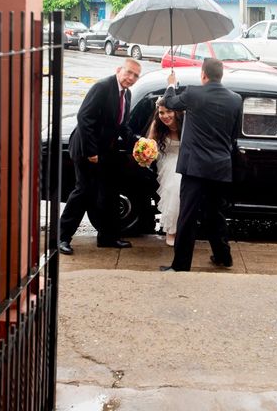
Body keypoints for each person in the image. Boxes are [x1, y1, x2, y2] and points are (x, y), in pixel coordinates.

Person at [159, 58, 242, 272]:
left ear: (203, 75)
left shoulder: (195, 94)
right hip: (220, 167)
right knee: (216, 215)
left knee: (187, 217)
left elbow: (170, 102)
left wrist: (170, 84)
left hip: (194, 168)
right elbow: (234, 135)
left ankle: (181, 266)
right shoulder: (235, 99)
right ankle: (224, 257)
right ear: (220, 75)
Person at [58, 58, 142, 255]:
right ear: (119, 70)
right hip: (86, 149)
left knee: (110, 193)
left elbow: (122, 125)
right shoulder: (102, 87)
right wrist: (91, 152)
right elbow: (84, 118)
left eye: (135, 75)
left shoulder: (126, 94)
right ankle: (62, 238)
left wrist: (137, 142)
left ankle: (108, 237)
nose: (131, 78)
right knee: (83, 193)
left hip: (105, 151)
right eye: (129, 72)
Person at [147, 97, 183, 247]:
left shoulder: (185, 123)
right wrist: (146, 156)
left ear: (176, 112)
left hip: (185, 158)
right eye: (161, 112)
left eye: (169, 111)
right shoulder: (157, 124)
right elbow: (150, 144)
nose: (165, 116)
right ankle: (171, 230)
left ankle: (182, 227)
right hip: (166, 159)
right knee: (175, 184)